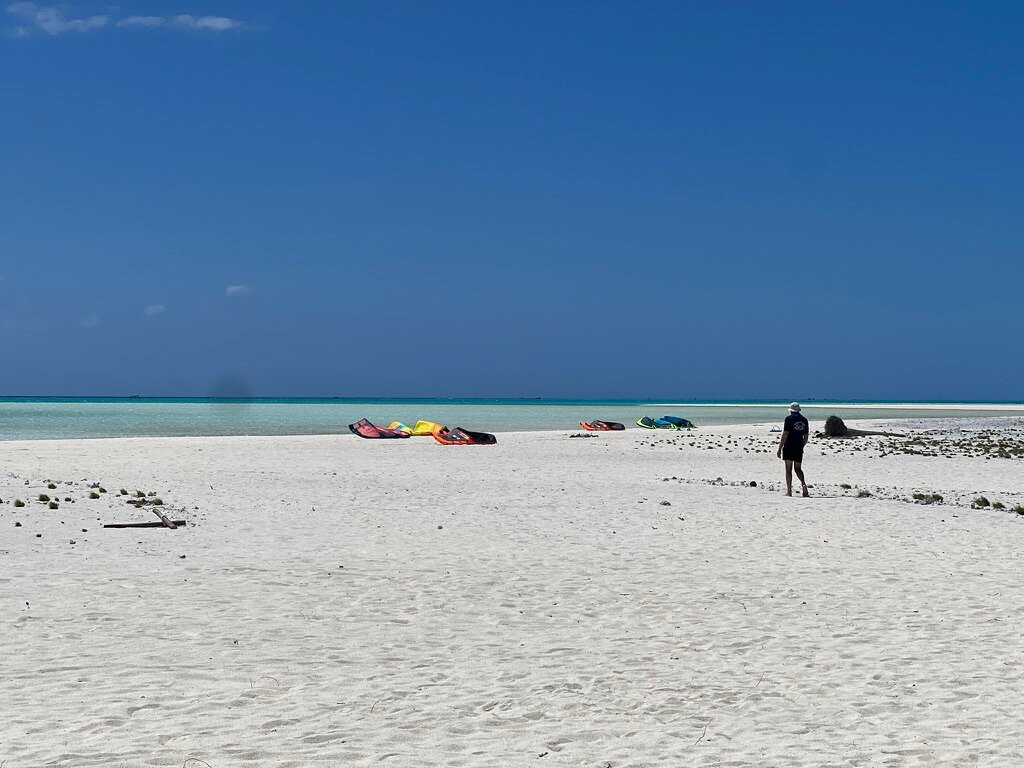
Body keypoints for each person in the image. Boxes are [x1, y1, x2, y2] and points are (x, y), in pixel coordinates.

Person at [776, 402, 809, 497]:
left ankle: (789, 491)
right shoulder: (804, 420)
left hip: (789, 446)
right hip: (798, 447)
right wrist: (802, 446)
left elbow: (785, 434)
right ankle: (803, 484)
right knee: (798, 469)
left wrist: (780, 448)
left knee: (788, 469)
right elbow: (806, 436)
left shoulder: (788, 419)